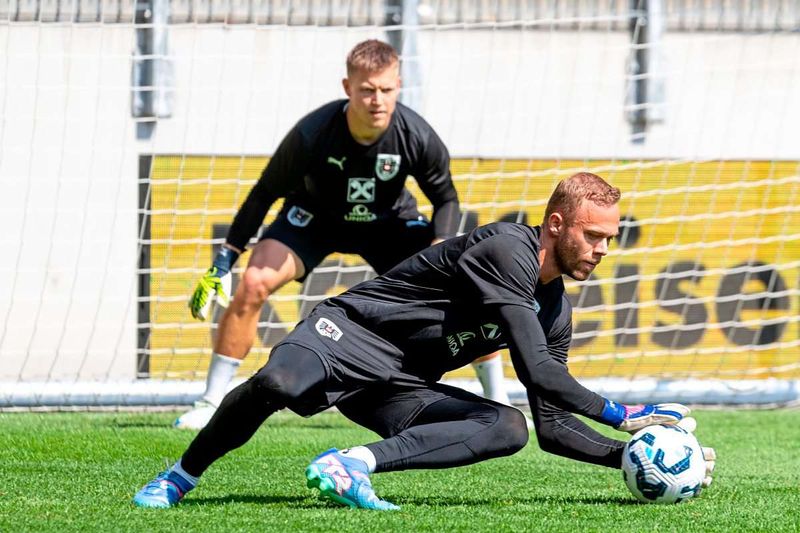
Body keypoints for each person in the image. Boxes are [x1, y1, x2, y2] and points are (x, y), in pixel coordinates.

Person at [134, 172, 716, 510]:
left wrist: (635, 458)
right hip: (348, 334)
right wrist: (623, 412)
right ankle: (178, 477)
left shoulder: (555, 309)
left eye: (610, 239)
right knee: (278, 382)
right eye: (593, 236)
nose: (602, 250)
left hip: (399, 383)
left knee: (508, 427)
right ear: (557, 225)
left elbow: (553, 425)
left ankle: (351, 465)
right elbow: (537, 371)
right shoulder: (505, 250)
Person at [178, 38, 511, 430]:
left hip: (388, 225)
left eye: (386, 89)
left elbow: (446, 199)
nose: (377, 100)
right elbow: (263, 194)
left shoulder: (416, 135)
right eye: (367, 90)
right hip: (314, 220)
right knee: (253, 282)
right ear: (347, 88)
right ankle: (211, 401)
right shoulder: (312, 133)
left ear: (398, 86)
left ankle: (498, 398)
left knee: (462, 289)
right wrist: (224, 259)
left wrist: (440, 248)